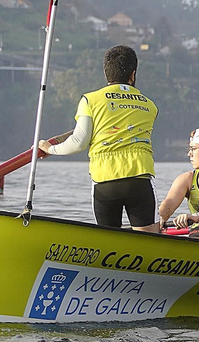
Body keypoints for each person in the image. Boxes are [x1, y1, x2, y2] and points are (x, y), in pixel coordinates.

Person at [37, 44, 159, 230]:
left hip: (105, 182)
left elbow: (79, 142)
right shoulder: (150, 106)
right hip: (139, 177)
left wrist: (49, 148)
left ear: (106, 73)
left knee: (109, 240)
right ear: (133, 74)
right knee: (149, 239)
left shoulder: (90, 100)